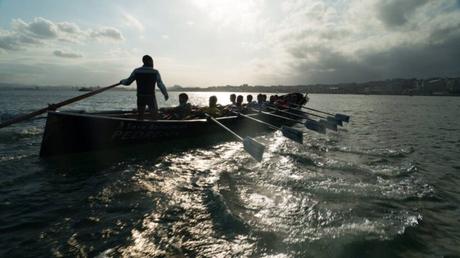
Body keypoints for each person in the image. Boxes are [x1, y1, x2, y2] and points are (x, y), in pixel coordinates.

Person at [120, 55, 169, 120]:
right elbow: (160, 84)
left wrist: (122, 81)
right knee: (154, 115)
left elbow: (128, 82)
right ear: (149, 61)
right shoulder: (155, 72)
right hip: (151, 96)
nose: (153, 63)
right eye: (152, 61)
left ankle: (140, 127)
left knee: (140, 115)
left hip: (140, 96)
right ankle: (152, 127)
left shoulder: (137, 71)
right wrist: (165, 94)